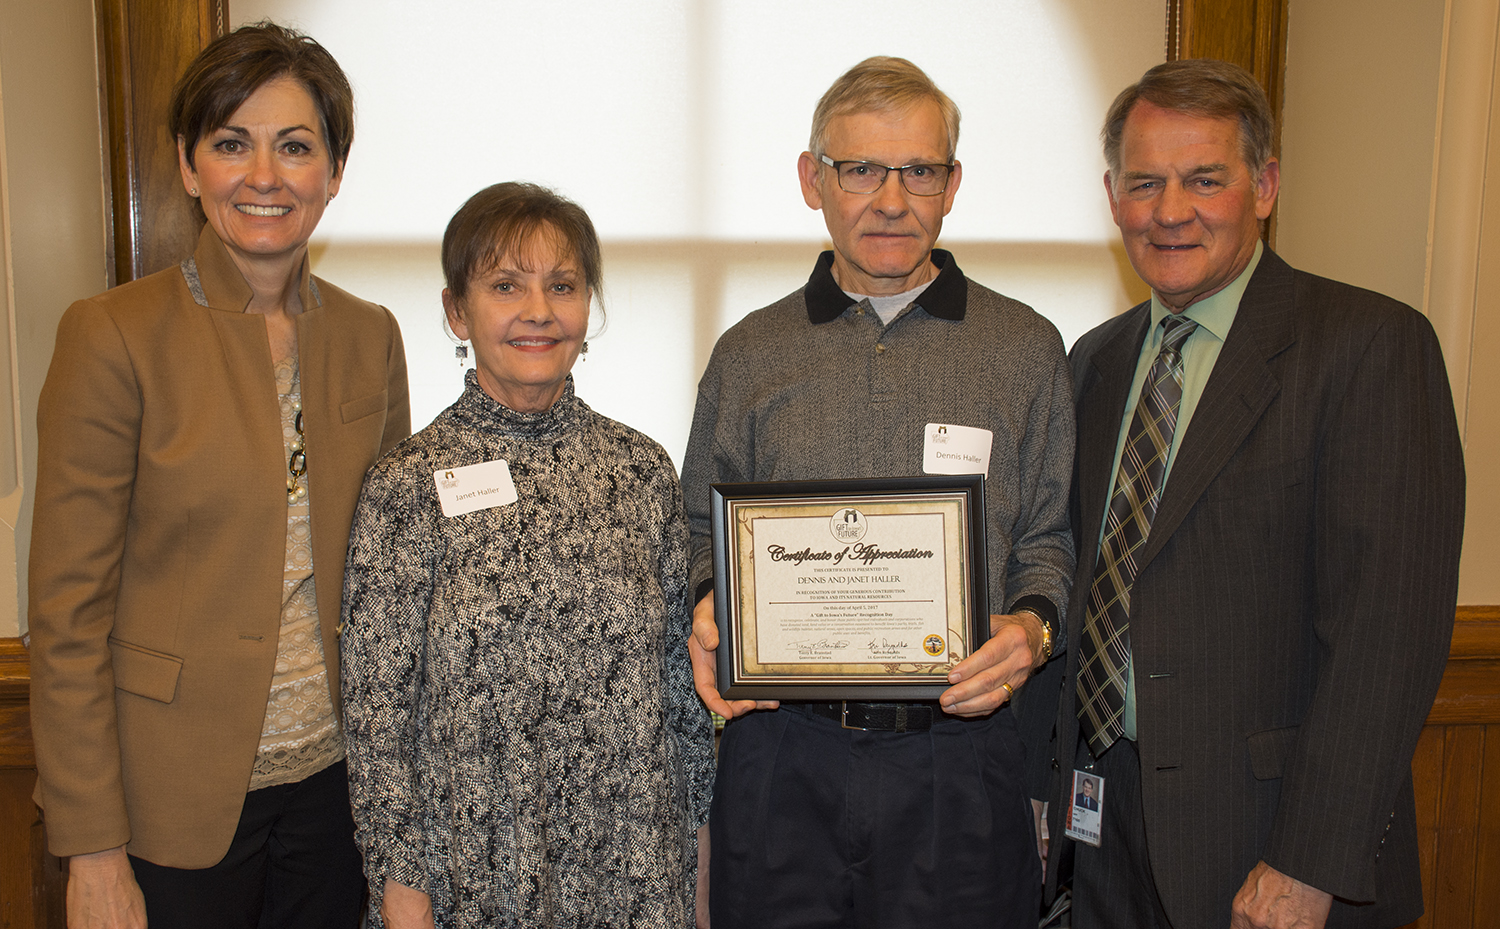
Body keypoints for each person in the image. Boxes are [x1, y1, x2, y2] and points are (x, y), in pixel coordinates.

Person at [1034, 58, 1465, 929]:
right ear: (1112, 194)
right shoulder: (1094, 362)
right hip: (1102, 833)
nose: (1170, 210)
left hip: (1268, 841)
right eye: (1145, 182)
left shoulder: (1369, 347)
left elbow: (1388, 639)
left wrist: (1308, 862)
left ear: (1263, 186)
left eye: (1205, 179)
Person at [28, 21, 410, 929]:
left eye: (296, 146)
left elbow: (393, 570)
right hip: (172, 807)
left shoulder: (370, 336)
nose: (265, 177)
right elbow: (67, 613)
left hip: (334, 794)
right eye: (231, 144)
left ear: (335, 170)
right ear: (189, 164)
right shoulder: (112, 335)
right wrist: (93, 848)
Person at [681, 56, 1074, 928]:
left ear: (952, 183)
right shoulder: (750, 353)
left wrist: (1031, 626)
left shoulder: (1026, 347)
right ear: (811, 179)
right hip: (783, 754)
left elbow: (1049, 538)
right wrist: (710, 601)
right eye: (859, 168)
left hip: (960, 761)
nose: (890, 199)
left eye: (919, 170)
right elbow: (693, 527)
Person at [340, 181, 715, 929]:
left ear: (588, 309)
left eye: (563, 286)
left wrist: (699, 858)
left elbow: (682, 688)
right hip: (471, 872)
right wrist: (401, 878)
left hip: (633, 863)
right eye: (505, 285)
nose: (538, 311)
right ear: (457, 310)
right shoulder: (405, 485)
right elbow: (376, 709)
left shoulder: (640, 469)